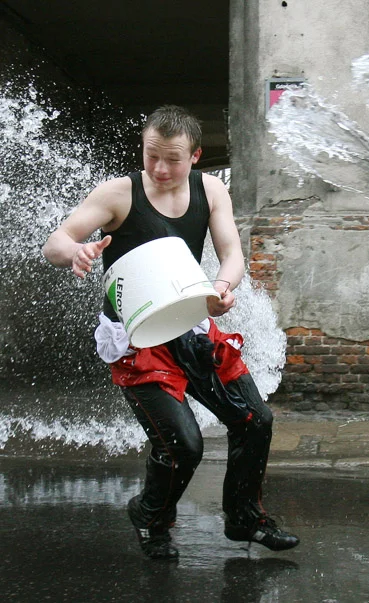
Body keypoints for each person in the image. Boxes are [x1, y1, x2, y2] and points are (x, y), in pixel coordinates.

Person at [42, 105, 299, 559]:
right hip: (138, 339)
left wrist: (222, 287)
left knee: (255, 421)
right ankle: (151, 516)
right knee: (184, 445)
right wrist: (76, 253)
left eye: (173, 159)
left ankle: (246, 520)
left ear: (196, 156)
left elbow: (231, 253)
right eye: (151, 155)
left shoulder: (211, 190)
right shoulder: (118, 194)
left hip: (190, 325)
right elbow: (56, 241)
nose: (160, 168)